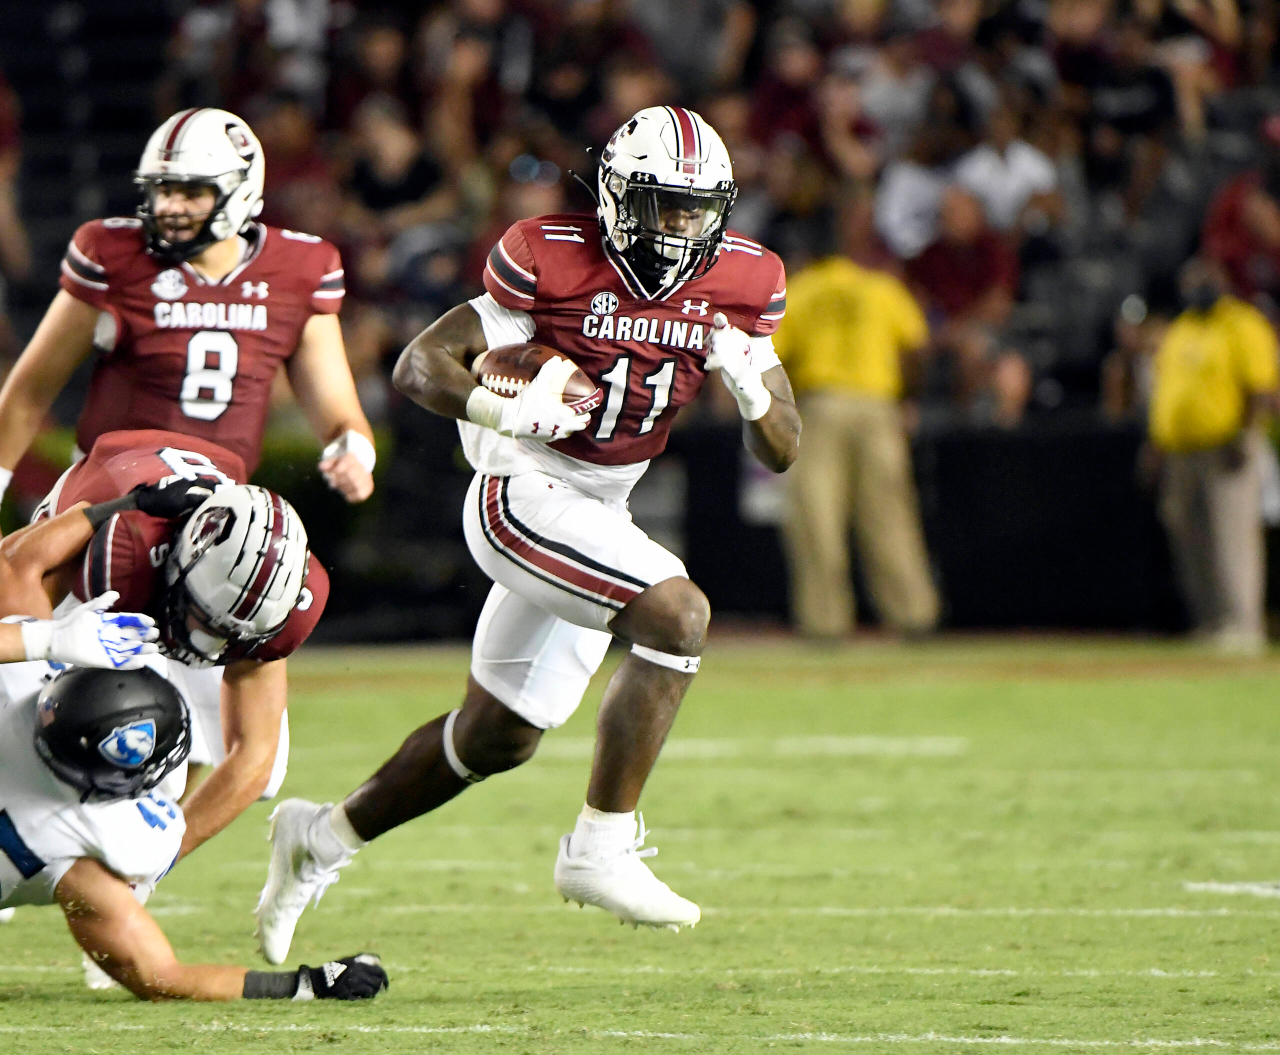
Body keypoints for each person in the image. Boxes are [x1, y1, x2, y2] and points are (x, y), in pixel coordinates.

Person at [254, 105, 800, 962]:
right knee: (678, 615)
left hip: (600, 509)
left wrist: (755, 388)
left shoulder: (742, 281)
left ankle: (318, 838)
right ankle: (600, 845)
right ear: (618, 197)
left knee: (496, 736)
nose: (680, 227)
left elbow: (784, 449)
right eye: (662, 205)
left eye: (697, 209)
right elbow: (418, 365)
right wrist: (498, 403)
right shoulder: (551, 253)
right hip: (522, 485)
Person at [0, 107, 376, 518]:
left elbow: (340, 415)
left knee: (306, 583)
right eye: (163, 189)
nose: (171, 207)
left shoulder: (299, 269)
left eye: (192, 192)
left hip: (220, 513)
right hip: (108, 499)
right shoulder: (114, 256)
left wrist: (354, 455)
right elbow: (29, 393)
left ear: (241, 191)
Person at [0, 662, 387, 1002]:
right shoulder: (65, 848)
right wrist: (310, 983)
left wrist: (44, 640)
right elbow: (161, 978)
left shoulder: (19, 671)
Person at [775, 234, 939, 640]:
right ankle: (914, 616)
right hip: (877, 406)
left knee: (817, 516)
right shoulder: (882, 287)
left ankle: (824, 623)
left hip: (821, 405)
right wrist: (908, 398)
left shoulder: (804, 287)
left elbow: (773, 354)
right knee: (890, 518)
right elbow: (918, 348)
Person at [1145, 258, 1279, 655]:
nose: (1197, 289)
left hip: (1227, 446)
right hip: (1180, 452)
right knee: (1190, 537)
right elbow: (1166, 392)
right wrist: (1156, 446)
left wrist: (1247, 432)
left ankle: (1243, 624)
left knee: (1232, 535)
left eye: (1205, 280)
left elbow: (1261, 386)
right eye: (1191, 282)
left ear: (1223, 282)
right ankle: (1209, 622)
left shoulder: (1242, 322)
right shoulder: (1182, 328)